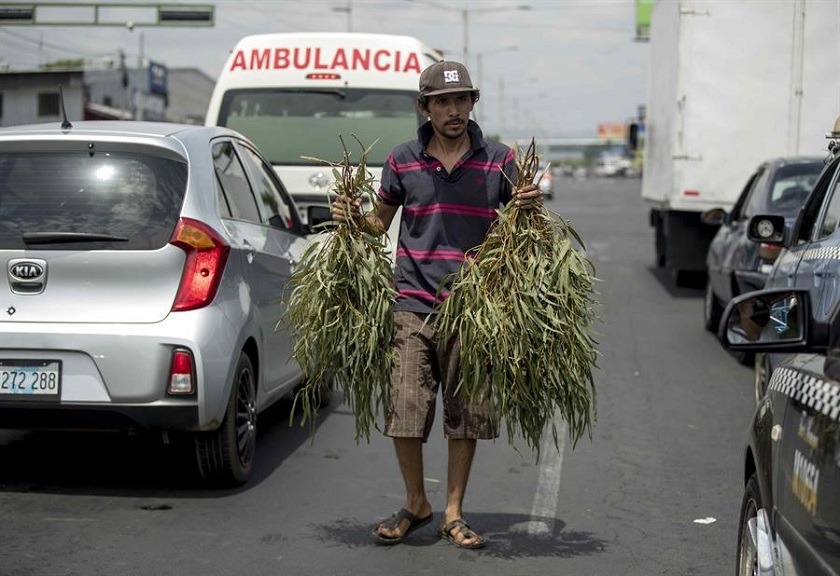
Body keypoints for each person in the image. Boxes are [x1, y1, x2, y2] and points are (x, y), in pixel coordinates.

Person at [331, 60, 543, 549]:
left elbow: (526, 229)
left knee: (465, 414)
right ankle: (416, 502)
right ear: (423, 107)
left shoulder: (500, 161)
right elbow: (378, 223)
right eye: (442, 101)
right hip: (411, 300)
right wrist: (348, 216)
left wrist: (530, 204)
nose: (453, 110)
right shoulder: (403, 159)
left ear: (472, 104)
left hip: (474, 307)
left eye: (462, 100)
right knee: (405, 407)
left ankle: (452, 510)